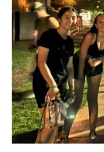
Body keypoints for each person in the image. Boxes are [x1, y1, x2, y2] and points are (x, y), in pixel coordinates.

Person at [33, 8, 77, 144]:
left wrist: (72, 88)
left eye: (74, 18)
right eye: (67, 17)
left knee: (56, 124)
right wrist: (52, 86)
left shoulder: (69, 41)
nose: (71, 20)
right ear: (59, 19)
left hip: (61, 86)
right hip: (45, 84)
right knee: (50, 124)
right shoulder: (48, 36)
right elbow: (41, 63)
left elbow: (69, 67)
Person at [76, 13, 104, 141]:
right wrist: (80, 76)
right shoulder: (90, 36)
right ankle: (65, 134)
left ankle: (92, 132)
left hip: (96, 66)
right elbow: (82, 56)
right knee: (77, 100)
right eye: (100, 22)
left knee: (92, 99)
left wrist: (98, 62)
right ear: (95, 25)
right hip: (79, 65)